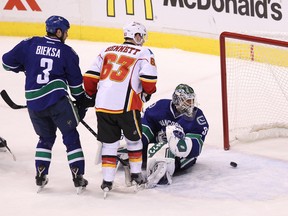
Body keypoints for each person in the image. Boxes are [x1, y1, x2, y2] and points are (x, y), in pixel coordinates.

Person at [1, 15, 92, 192]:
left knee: (45, 138)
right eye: (65, 32)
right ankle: (77, 175)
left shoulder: (30, 44)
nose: (66, 35)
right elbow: (76, 88)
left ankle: (40, 174)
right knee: (70, 135)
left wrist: (25, 67)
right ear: (58, 32)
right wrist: (83, 102)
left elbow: (6, 63)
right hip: (57, 103)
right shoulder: (67, 52)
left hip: (34, 104)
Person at [83, 21, 158, 192]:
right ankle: (136, 175)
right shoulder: (144, 52)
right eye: (142, 36)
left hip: (102, 106)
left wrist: (91, 94)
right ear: (136, 36)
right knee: (134, 141)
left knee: (109, 145)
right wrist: (148, 92)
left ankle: (107, 181)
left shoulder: (106, 50)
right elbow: (149, 79)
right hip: (127, 107)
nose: (143, 40)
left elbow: (89, 77)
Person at [141, 84, 209, 188]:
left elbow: (197, 144)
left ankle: (166, 167)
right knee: (137, 140)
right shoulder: (161, 106)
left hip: (181, 154)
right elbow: (146, 123)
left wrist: (182, 144)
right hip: (157, 144)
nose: (191, 104)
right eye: (187, 100)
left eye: (191, 100)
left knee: (178, 155)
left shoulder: (197, 115)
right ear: (177, 99)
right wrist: (138, 142)